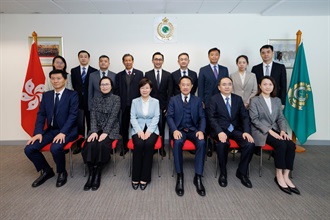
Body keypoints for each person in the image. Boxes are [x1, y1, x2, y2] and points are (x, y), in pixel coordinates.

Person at [24, 70, 78, 188]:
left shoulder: (72, 95)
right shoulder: (46, 95)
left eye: (58, 78)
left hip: (67, 130)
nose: (55, 81)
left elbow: (73, 116)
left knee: (56, 147)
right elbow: (41, 115)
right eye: (53, 78)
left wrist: (63, 132)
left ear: (65, 80)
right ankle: (46, 170)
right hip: (51, 130)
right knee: (29, 149)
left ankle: (62, 172)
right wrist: (37, 133)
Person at [249, 76, 299, 195]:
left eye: (270, 84)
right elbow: (254, 120)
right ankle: (278, 175)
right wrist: (269, 131)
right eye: (265, 84)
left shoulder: (277, 100)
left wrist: (283, 130)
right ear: (260, 86)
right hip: (261, 131)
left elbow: (281, 118)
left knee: (291, 145)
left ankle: (286, 175)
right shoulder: (255, 100)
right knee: (281, 144)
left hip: (277, 130)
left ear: (273, 86)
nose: (267, 87)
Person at [207, 77, 254, 188]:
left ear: (232, 86)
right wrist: (219, 131)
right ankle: (223, 173)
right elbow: (211, 118)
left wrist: (247, 131)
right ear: (219, 87)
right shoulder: (214, 99)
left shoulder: (238, 99)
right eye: (224, 84)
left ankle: (242, 172)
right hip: (221, 130)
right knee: (222, 144)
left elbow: (245, 117)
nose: (227, 86)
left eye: (229, 84)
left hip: (236, 130)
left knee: (250, 144)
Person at [167, 76, 206, 197]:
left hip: (194, 130)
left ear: (192, 86)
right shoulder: (173, 100)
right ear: (179, 86)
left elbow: (202, 117)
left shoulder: (197, 100)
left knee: (202, 142)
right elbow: (169, 116)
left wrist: (201, 130)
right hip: (180, 130)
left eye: (187, 85)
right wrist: (174, 130)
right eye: (183, 84)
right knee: (177, 143)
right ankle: (180, 176)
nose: (185, 87)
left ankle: (198, 177)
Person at [82, 77, 120, 191]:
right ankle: (91, 173)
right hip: (96, 128)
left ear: (111, 86)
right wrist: (93, 131)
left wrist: (105, 132)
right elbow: (92, 117)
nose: (104, 86)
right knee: (90, 144)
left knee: (102, 144)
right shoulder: (95, 99)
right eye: (102, 84)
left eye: (107, 84)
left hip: (110, 128)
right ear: (99, 87)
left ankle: (98, 172)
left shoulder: (116, 99)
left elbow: (113, 117)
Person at [251, 45, 287, 156]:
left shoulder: (280, 67)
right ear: (260, 54)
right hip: (260, 101)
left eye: (268, 52)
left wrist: (283, 102)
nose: (266, 54)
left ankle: (275, 148)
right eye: (263, 52)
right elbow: (254, 86)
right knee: (260, 120)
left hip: (275, 101)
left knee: (276, 121)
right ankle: (260, 145)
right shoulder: (255, 68)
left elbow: (283, 85)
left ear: (272, 53)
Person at [198, 47, 229, 157]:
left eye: (216, 54)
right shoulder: (203, 69)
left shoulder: (224, 69)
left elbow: (226, 86)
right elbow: (200, 87)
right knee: (208, 123)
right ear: (208, 56)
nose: (214, 56)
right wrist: (201, 101)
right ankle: (209, 146)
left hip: (221, 101)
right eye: (212, 54)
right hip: (207, 101)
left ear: (219, 56)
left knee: (219, 121)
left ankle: (218, 143)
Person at [130, 78, 160, 190]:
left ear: (151, 89)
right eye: (142, 88)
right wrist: (138, 130)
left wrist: (148, 131)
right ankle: (135, 177)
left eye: (147, 88)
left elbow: (156, 117)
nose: (144, 90)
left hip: (152, 129)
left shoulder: (156, 102)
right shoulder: (135, 101)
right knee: (138, 145)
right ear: (139, 89)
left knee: (148, 144)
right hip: (137, 128)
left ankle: (145, 177)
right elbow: (132, 117)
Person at [145, 52, 173, 157]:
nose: (158, 61)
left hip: (163, 106)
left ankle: (161, 148)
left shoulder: (168, 75)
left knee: (161, 127)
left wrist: (167, 107)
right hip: (150, 106)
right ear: (152, 61)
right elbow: (146, 90)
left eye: (160, 59)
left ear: (163, 61)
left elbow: (169, 92)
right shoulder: (147, 74)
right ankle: (152, 146)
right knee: (151, 126)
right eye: (156, 59)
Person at [115, 54, 144, 156]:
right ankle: (125, 146)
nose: (128, 62)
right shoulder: (119, 75)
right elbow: (117, 91)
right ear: (123, 62)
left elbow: (142, 90)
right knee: (124, 127)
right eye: (126, 60)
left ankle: (137, 146)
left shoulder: (140, 74)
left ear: (133, 61)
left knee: (137, 127)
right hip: (124, 106)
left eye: (129, 60)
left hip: (136, 106)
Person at [71, 50, 98, 154]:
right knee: (79, 124)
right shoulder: (74, 71)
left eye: (85, 56)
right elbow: (74, 85)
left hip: (90, 100)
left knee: (91, 122)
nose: (83, 58)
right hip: (78, 101)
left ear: (88, 58)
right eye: (81, 56)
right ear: (78, 58)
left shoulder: (94, 71)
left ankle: (90, 143)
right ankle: (79, 144)